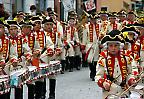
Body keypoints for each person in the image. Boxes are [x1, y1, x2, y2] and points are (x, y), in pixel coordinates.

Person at [95, 30, 139, 99]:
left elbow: (131, 72)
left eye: (116, 45)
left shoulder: (127, 57)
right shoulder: (103, 59)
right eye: (111, 45)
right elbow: (98, 76)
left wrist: (131, 80)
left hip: (124, 92)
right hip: (109, 92)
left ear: (120, 46)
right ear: (107, 46)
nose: (113, 48)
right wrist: (103, 83)